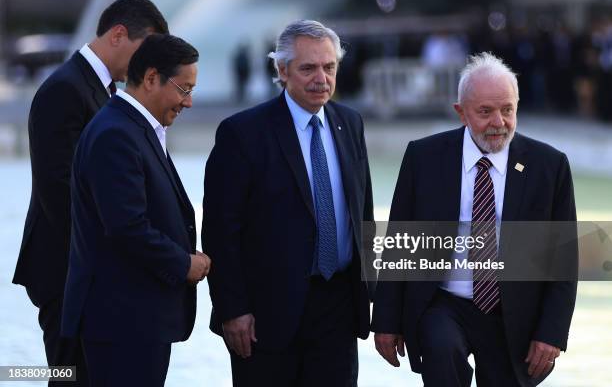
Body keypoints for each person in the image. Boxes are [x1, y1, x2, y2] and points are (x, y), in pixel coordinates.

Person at [371, 52, 577, 386]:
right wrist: (386, 320)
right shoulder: (424, 157)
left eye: (508, 110)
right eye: (485, 112)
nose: (499, 122)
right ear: (461, 112)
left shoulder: (549, 167)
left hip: (514, 311)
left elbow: (564, 260)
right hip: (444, 303)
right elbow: (401, 244)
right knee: (441, 349)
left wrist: (551, 334)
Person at [203, 19, 374, 386]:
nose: (321, 79)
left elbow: (363, 215)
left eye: (329, 67)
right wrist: (233, 309)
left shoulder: (351, 123)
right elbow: (220, 230)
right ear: (282, 70)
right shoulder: (242, 133)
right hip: (266, 315)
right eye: (308, 68)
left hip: (339, 306)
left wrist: (378, 300)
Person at [12, 0, 168, 386]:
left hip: (89, 274)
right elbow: (60, 194)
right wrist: (124, 259)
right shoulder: (66, 89)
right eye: (144, 50)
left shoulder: (99, 90)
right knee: (72, 377)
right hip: (69, 276)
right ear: (118, 34)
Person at [61, 34, 210, 387]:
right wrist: (183, 263)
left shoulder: (132, 128)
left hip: (135, 319)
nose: (188, 103)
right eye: (184, 89)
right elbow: (127, 227)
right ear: (151, 78)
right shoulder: (117, 134)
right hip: (122, 322)